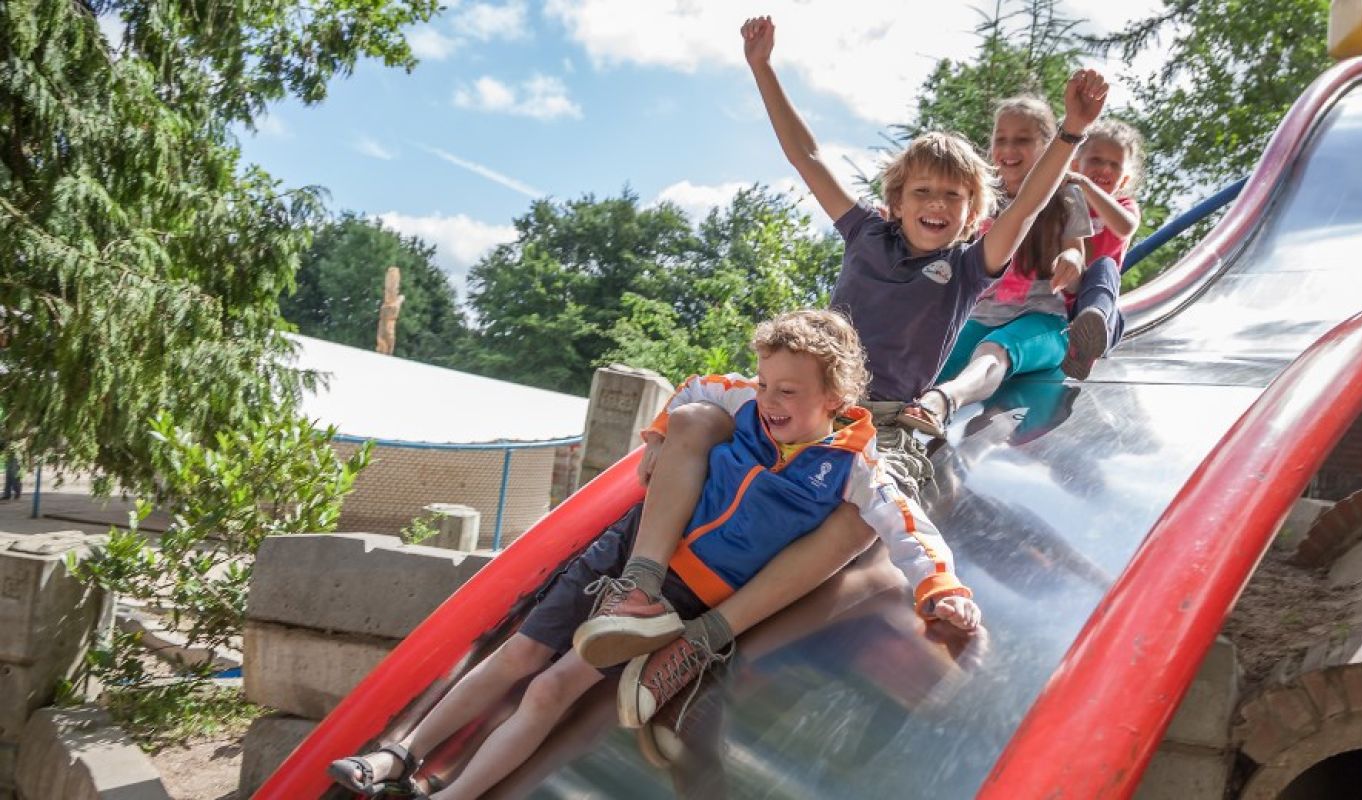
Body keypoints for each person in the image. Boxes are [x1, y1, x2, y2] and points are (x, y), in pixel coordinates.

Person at [567, 16, 1105, 744]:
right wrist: (763, 69)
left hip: (880, 420)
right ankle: (640, 584)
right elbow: (806, 154)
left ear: (973, 211)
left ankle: (701, 645)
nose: (936, 206)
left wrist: (1070, 134)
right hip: (804, 399)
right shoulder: (863, 233)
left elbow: (1033, 201)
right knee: (697, 423)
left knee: (855, 520)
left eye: (952, 197)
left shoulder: (971, 266)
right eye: (923, 192)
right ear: (897, 195)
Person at [327, 309, 981, 799]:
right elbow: (695, 387)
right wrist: (663, 431)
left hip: (688, 595)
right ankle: (396, 754)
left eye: (789, 391)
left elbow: (909, 529)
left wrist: (941, 588)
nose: (769, 401)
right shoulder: (744, 404)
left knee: (553, 690)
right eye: (765, 383)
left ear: (833, 402)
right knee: (520, 654)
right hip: (632, 552)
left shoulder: (853, 467)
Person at [899, 92, 1102, 436]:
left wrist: (1070, 260)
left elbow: (1076, 259)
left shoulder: (1066, 196)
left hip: (1041, 320)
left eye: (1022, 140)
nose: (1008, 150)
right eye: (1001, 140)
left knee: (994, 349)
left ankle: (945, 400)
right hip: (981, 314)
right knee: (933, 355)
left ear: (1046, 147)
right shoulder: (981, 198)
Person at [1061, 119, 1145, 380]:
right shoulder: (1066, 202)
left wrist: (1087, 186)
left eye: (1114, 164)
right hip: (1062, 306)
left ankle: (1091, 331)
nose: (1104, 168)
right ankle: (1077, 343)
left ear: (1125, 178)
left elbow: (1124, 227)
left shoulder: (1124, 205)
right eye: (1096, 159)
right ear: (1077, 165)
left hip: (1103, 313)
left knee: (1104, 266)